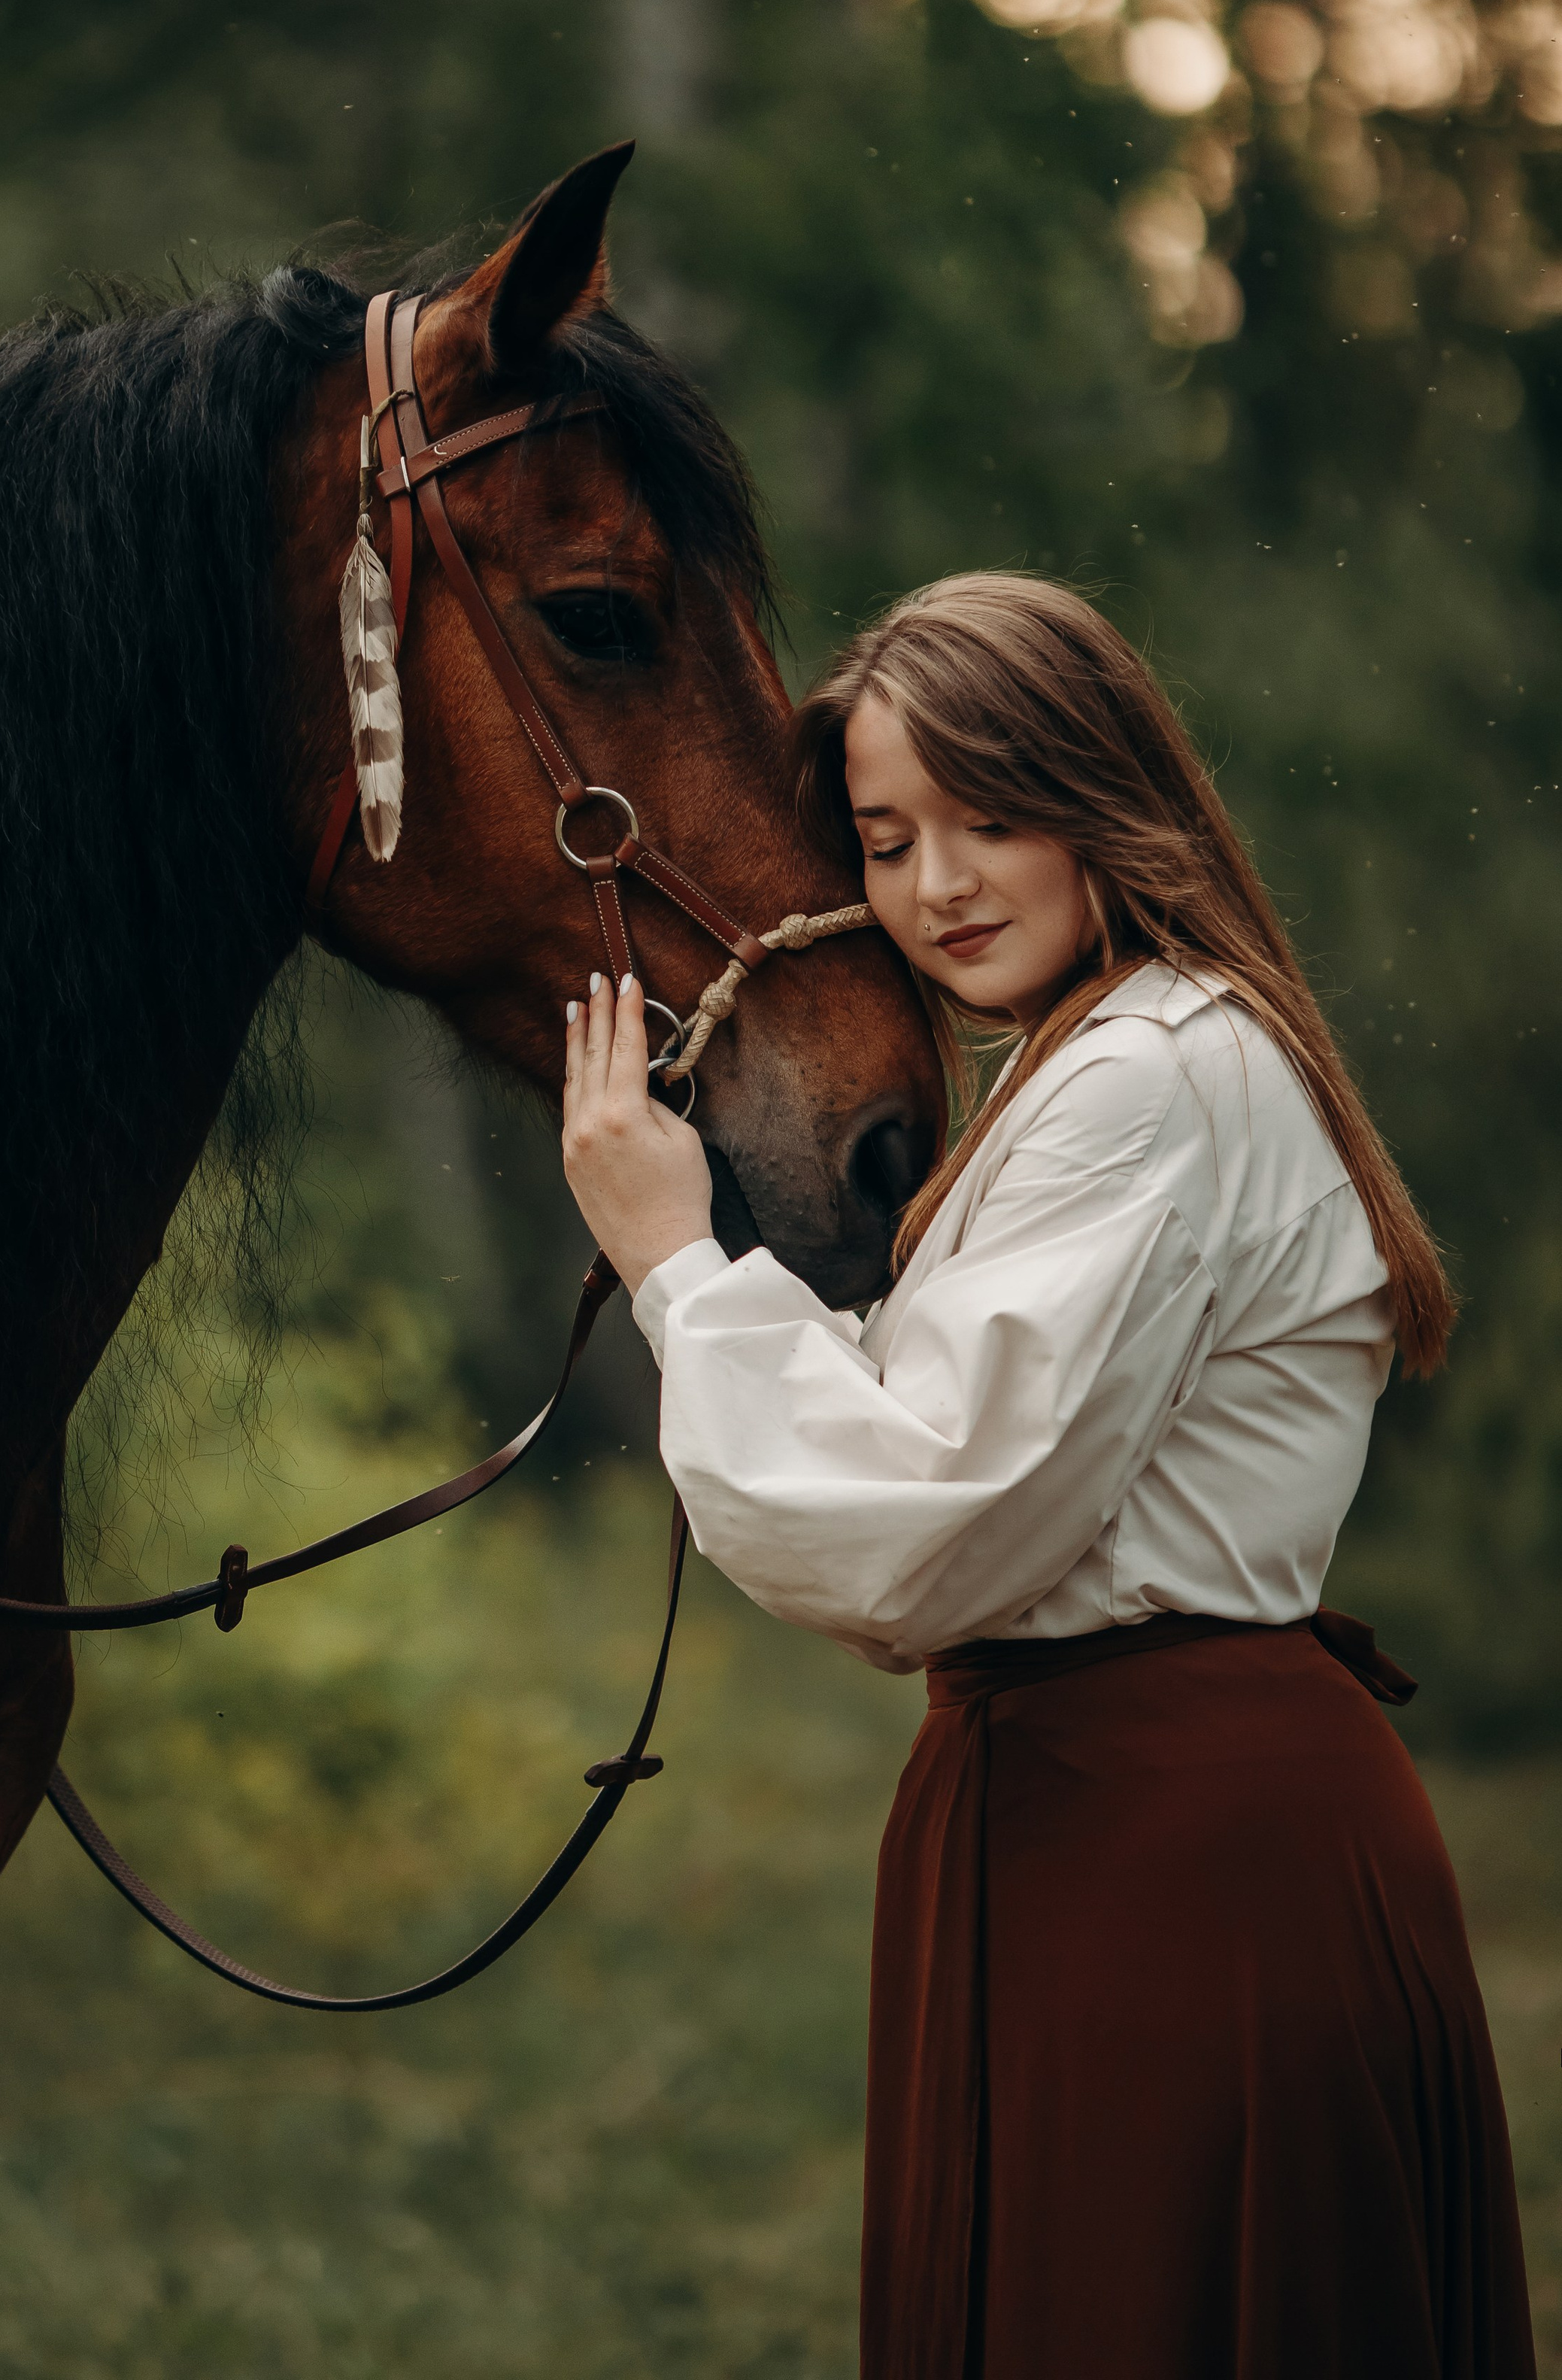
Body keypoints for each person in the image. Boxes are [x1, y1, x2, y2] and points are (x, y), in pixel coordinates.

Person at [559, 572, 1534, 2380]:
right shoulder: (1081, 1068)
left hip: (1175, 1853)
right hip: (1112, 1822)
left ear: (1107, 794)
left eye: (991, 816)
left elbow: (931, 1516)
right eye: (884, 836)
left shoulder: (1150, 1074)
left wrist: (671, 1263)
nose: (937, 885)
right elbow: (935, 1427)